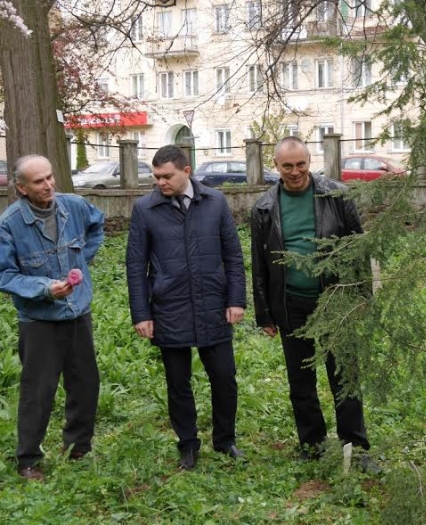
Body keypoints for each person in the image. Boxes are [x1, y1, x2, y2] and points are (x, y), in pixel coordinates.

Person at [251, 137, 378, 471]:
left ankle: (357, 447)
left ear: (310, 161)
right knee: (301, 382)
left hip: (336, 302)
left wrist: (362, 296)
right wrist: (264, 313)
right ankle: (313, 446)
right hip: (291, 305)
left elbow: (357, 248)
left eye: (301, 164)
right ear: (276, 167)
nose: (295, 172)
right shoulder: (264, 208)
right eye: (287, 166)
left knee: (344, 378)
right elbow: (259, 265)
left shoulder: (336, 196)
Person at [126, 145, 246, 470]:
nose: (160, 182)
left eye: (167, 176)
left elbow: (233, 255)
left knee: (224, 378)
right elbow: (135, 265)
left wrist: (236, 299)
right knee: (177, 384)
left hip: (213, 304)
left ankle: (225, 441)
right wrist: (142, 313)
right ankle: (188, 446)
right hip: (169, 307)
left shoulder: (216, 202)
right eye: (156, 177)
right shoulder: (145, 209)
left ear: (186, 171)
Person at [0, 155, 105, 481]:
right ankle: (28, 460)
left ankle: (78, 447)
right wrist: (46, 288)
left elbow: (97, 224)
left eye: (49, 177)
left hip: (77, 312)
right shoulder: (10, 224)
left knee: (85, 384)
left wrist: (81, 264)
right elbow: (4, 274)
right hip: (39, 320)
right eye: (38, 181)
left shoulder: (73, 205)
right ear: (21, 188)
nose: (48, 185)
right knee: (38, 391)